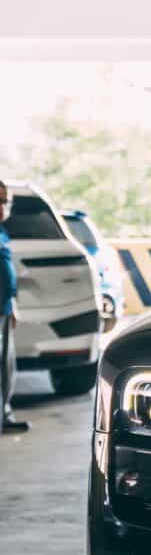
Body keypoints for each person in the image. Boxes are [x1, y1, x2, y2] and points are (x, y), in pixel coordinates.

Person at [0, 180, 30, 434]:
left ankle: (4, 414)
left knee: (7, 367)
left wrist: (12, 306)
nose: (2, 207)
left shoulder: (2, 232)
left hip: (5, 309)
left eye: (5, 201)